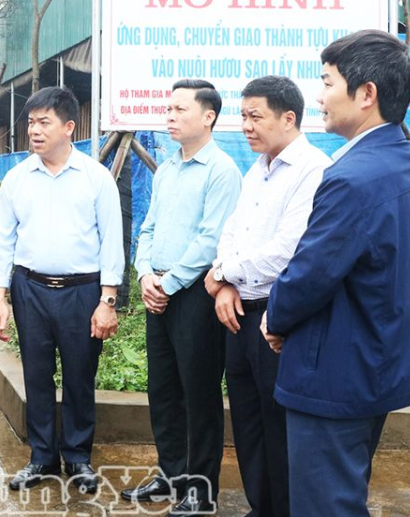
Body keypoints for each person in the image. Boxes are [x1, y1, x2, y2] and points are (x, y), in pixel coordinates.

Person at [262, 30, 410, 517]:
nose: (319, 95)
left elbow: (311, 272)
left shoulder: (354, 177)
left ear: (367, 94)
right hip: (371, 362)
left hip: (334, 372)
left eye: (327, 82)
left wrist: (275, 318)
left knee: (324, 505)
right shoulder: (401, 160)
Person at [203, 76, 331, 517]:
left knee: (280, 427)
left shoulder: (314, 170)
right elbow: (233, 232)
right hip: (239, 313)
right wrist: (225, 283)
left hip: (278, 321)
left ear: (288, 118)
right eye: (243, 116)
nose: (245, 126)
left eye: (255, 116)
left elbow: (286, 251)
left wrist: (221, 273)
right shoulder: (258, 169)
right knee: (247, 422)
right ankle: (261, 507)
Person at [0, 86, 124, 494]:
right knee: (37, 375)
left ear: (68, 127)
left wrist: (107, 301)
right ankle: (42, 457)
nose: (34, 130)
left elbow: (112, 243)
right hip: (29, 288)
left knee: (81, 375)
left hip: (82, 292)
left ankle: (79, 457)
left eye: (44, 122)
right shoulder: (17, 178)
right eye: (30, 122)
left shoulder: (95, 177)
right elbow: (4, 242)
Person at [122, 79, 241, 516]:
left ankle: (200, 488)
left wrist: (167, 284)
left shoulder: (222, 170)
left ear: (208, 116)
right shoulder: (169, 167)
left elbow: (211, 240)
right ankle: (170, 474)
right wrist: (144, 275)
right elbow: (149, 226)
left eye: (179, 110)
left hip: (195, 297)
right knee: (164, 389)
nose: (169, 116)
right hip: (160, 292)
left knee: (199, 392)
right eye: (167, 109)